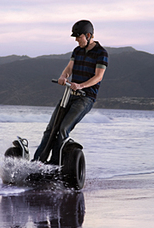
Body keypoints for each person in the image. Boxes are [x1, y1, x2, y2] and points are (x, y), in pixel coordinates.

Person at [33, 20, 108, 164]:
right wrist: (63, 76)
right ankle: (37, 163)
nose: (76, 39)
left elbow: (98, 77)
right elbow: (69, 68)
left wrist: (81, 86)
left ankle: (54, 165)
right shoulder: (77, 51)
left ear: (88, 35)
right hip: (70, 95)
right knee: (50, 129)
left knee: (62, 129)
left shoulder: (101, 53)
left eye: (78, 36)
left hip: (86, 98)